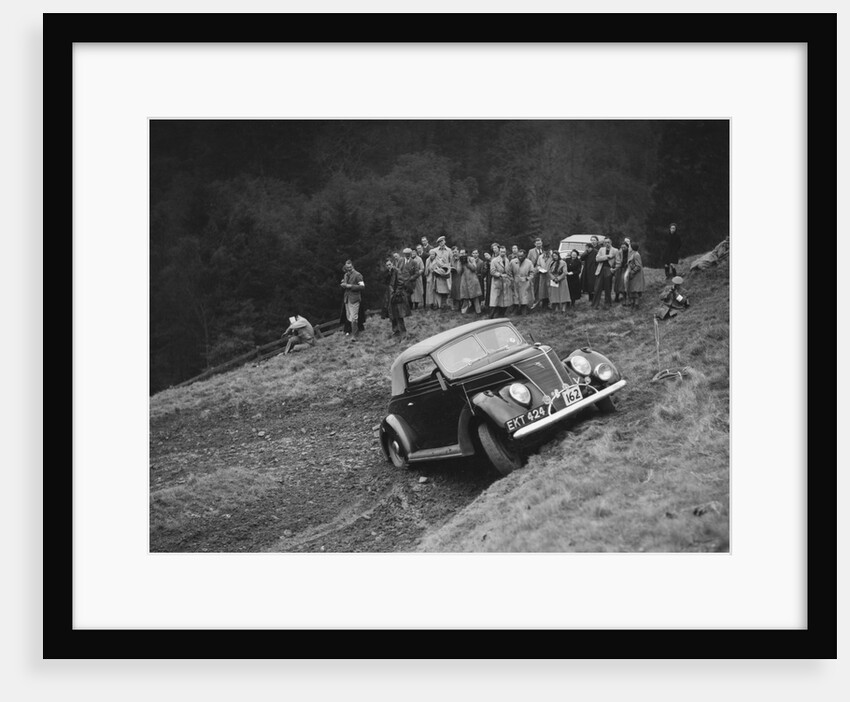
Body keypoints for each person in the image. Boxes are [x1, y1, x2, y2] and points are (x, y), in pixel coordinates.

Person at [382, 257, 411, 338]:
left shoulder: (397, 271)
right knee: (392, 315)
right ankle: (396, 331)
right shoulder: (388, 273)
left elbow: (401, 283)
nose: (388, 266)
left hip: (397, 296)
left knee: (399, 315)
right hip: (389, 296)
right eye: (387, 265)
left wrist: (396, 293)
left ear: (393, 264)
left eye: (389, 264)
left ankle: (403, 333)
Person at [340, 259, 365, 340]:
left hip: (354, 298)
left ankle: (355, 335)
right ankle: (352, 333)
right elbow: (346, 284)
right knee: (349, 317)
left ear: (352, 266)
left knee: (354, 317)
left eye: (350, 267)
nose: (349, 268)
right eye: (347, 267)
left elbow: (362, 286)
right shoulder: (346, 275)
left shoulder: (358, 275)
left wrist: (350, 286)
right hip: (347, 298)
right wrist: (343, 284)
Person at [488, 245, 514, 318]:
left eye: (504, 252)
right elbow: (492, 272)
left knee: (505, 300)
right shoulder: (494, 261)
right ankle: (491, 316)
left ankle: (502, 315)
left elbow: (508, 271)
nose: (503, 253)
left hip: (505, 282)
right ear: (499, 252)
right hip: (497, 282)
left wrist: (510, 278)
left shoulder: (507, 260)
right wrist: (500, 275)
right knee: (495, 301)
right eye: (502, 252)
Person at [592, 237, 616, 308]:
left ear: (611, 242)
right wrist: (607, 256)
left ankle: (607, 304)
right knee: (597, 288)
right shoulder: (601, 249)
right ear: (604, 243)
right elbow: (597, 259)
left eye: (608, 242)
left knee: (608, 288)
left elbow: (618, 261)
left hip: (609, 269)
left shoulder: (615, 250)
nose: (607, 244)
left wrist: (614, 269)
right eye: (605, 242)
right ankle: (595, 304)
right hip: (601, 269)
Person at [458, 248, 483, 314]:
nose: (462, 255)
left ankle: (478, 312)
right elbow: (459, 272)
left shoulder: (471, 259)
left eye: (463, 253)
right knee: (465, 297)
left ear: (466, 254)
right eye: (461, 253)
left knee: (475, 297)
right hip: (464, 281)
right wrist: (461, 263)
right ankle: (464, 312)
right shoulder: (459, 261)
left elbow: (474, 268)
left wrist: (467, 263)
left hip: (472, 280)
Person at [511, 249, 535, 315]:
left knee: (524, 295)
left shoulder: (529, 262)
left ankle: (524, 309)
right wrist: (512, 278)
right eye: (519, 256)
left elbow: (532, 273)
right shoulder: (513, 261)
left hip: (525, 280)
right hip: (516, 279)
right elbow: (509, 271)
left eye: (521, 256)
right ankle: (515, 309)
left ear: (525, 255)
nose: (520, 257)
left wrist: (528, 278)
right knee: (515, 295)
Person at [431, 235, 452, 310]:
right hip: (438, 272)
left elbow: (451, 261)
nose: (441, 243)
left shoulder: (449, 250)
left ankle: (445, 304)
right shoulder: (435, 250)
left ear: (445, 241)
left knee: (446, 289)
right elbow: (433, 260)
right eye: (439, 242)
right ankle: (438, 305)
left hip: (446, 272)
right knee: (438, 289)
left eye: (442, 241)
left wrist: (447, 268)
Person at [626, 242, 645, 308]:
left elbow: (638, 266)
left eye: (630, 247)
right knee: (633, 289)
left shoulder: (636, 254)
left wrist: (632, 272)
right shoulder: (632, 254)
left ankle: (636, 304)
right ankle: (633, 303)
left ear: (632, 248)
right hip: (634, 274)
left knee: (635, 290)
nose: (629, 248)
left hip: (636, 275)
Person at [613, 238, 631, 303]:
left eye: (624, 247)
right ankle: (616, 297)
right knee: (617, 283)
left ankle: (625, 297)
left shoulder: (630, 253)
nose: (623, 248)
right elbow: (617, 260)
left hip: (626, 269)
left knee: (624, 283)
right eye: (622, 247)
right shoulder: (619, 252)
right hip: (619, 269)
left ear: (627, 247)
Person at [580, 236, 599, 301]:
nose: (593, 241)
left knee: (593, 283)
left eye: (594, 240)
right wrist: (587, 251)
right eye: (592, 240)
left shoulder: (598, 249)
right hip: (587, 268)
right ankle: (590, 297)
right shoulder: (588, 248)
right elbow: (582, 258)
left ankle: (594, 298)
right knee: (587, 282)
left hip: (594, 267)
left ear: (597, 241)